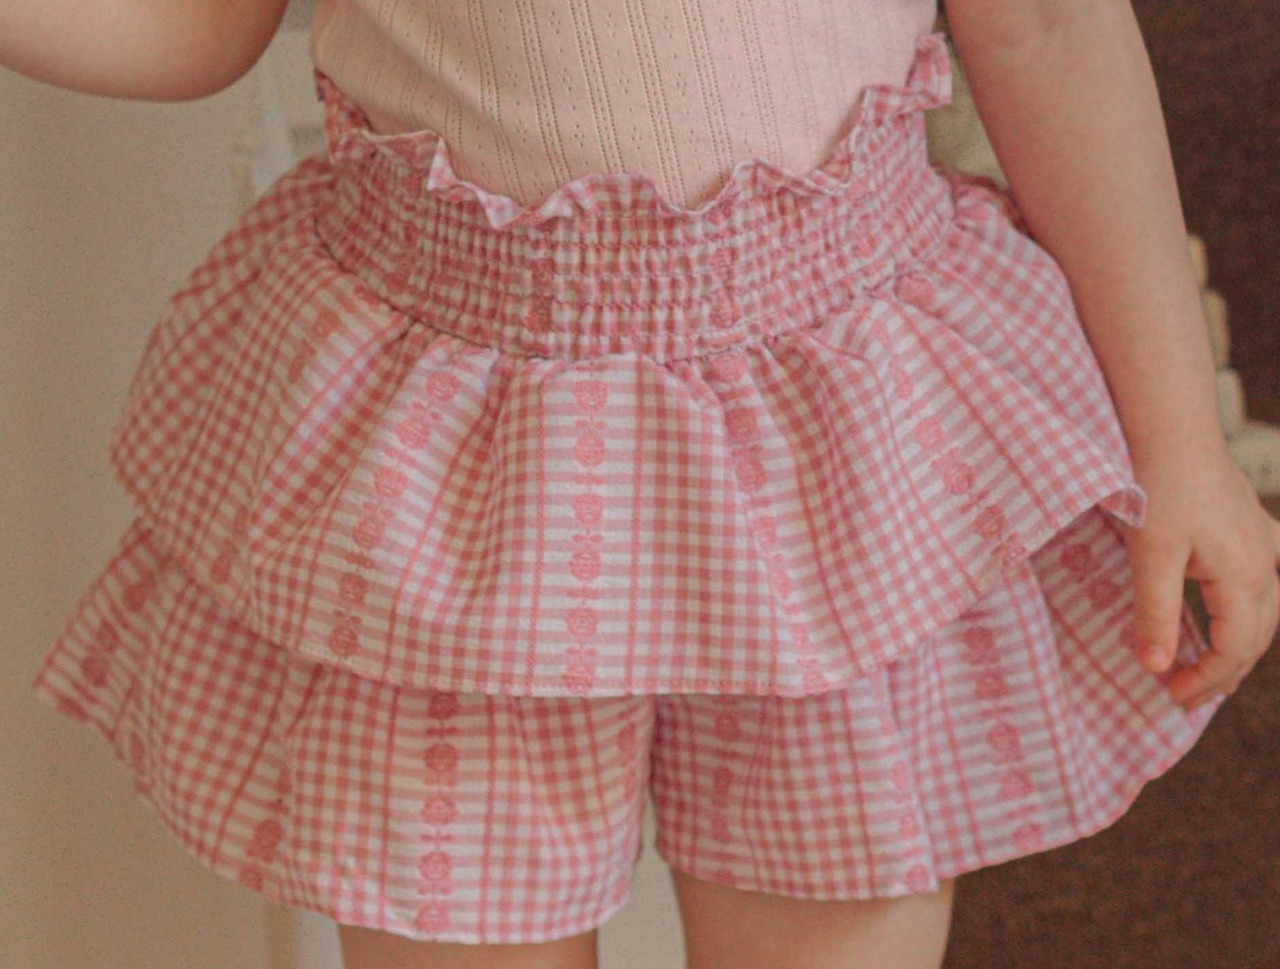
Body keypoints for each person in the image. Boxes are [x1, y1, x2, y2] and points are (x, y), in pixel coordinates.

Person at [10, 0, 1280, 965]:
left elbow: (1047, 27)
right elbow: (200, 23)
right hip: (448, 455)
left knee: (830, 926)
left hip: (832, 442)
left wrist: (1179, 440)